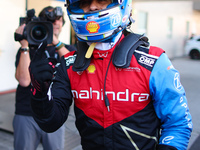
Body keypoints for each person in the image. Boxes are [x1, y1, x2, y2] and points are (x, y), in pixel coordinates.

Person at [29, 0, 193, 150]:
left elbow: (178, 124)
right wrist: (40, 92)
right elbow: (51, 123)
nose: (92, 6)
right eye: (83, 1)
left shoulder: (154, 61)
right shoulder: (69, 64)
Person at [14, 6, 76, 150]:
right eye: (50, 20)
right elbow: (24, 81)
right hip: (26, 112)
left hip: (55, 112)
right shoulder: (27, 50)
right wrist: (25, 45)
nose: (55, 23)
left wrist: (56, 43)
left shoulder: (68, 49)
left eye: (59, 20)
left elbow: (74, 71)